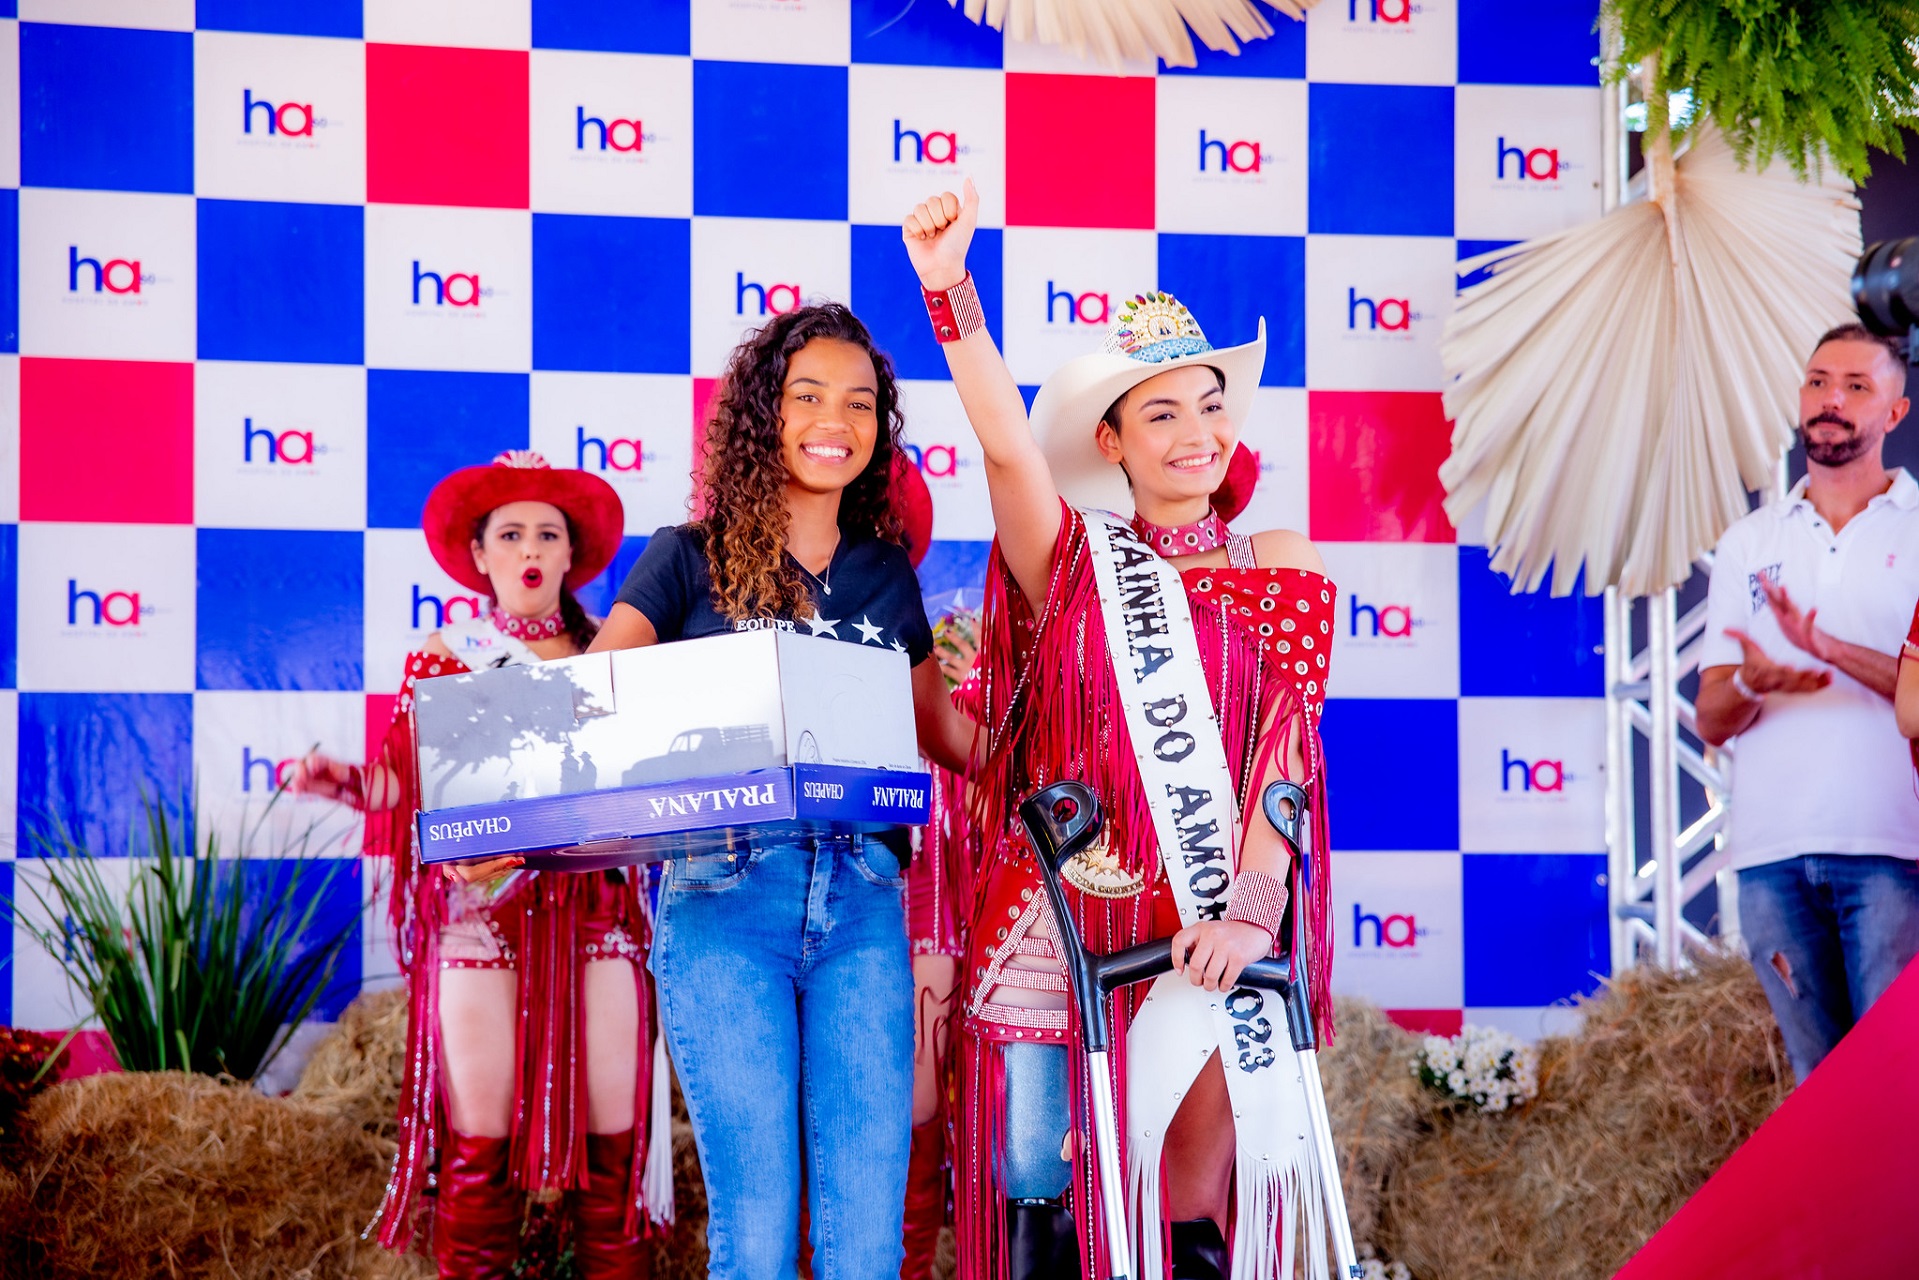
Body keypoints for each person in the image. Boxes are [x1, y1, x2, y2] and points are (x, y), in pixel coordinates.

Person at [902, 181, 1337, 1280]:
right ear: (1110, 439)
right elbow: (1006, 453)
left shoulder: (1274, 557)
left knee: (1181, 1191)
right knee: (1034, 1182)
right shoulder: (1075, 558)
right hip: (1060, 921)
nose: (1194, 432)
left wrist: (1248, 909)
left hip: (1197, 920)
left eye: (1207, 404)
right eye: (1160, 411)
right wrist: (949, 292)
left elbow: (1283, 753)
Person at [589, 302, 980, 1280]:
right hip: (724, 896)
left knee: (864, 1244)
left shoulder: (886, 569)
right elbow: (590, 706)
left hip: (863, 904)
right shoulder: (683, 553)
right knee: (757, 1236)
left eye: (858, 402)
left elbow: (943, 734)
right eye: (807, 395)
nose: (833, 420)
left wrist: (1069, 733)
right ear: (763, 414)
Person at [290, 452, 665, 1278]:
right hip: (480, 920)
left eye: (547, 532)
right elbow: (402, 782)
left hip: (596, 915)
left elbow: (650, 789)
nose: (529, 546)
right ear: (480, 554)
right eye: (510, 533)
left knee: (615, 1159)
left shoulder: (616, 654)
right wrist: (341, 782)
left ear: (573, 556)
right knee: (476, 1150)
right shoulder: (445, 656)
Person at [1697, 323, 1919, 1082]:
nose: (1830, 400)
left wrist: (1829, 652)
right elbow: (1709, 719)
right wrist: (1753, 683)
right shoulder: (1748, 541)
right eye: (1818, 382)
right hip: (1770, 856)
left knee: (1894, 1085)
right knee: (1814, 1087)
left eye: (1857, 386)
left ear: (1895, 412)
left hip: (1895, 848)